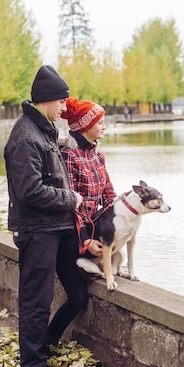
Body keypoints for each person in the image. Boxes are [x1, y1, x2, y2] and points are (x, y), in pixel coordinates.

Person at [3, 65, 87, 367]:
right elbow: (29, 190)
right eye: (62, 101)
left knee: (64, 293)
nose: (66, 107)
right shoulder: (26, 135)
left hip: (53, 228)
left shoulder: (43, 130)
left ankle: (41, 352)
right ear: (48, 100)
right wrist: (70, 199)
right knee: (36, 300)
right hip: (37, 231)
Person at [59, 97, 116, 260]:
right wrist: (86, 239)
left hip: (96, 228)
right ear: (85, 126)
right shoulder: (69, 156)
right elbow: (71, 202)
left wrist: (122, 216)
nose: (104, 127)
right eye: (100, 123)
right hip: (74, 235)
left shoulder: (98, 156)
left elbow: (109, 195)